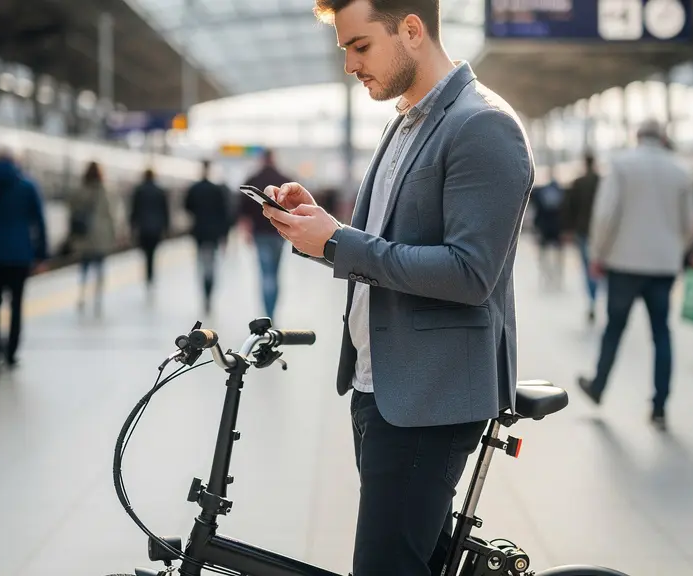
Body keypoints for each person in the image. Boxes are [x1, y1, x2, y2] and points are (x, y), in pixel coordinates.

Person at [260, 1, 534, 574]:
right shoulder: (406, 119)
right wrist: (320, 229)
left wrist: (338, 244)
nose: (350, 66)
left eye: (360, 47)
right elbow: (384, 247)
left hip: (428, 397)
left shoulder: (482, 123)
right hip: (381, 384)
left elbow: (470, 274)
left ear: (411, 29)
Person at [576, 120, 693, 430]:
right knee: (661, 333)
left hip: (624, 265)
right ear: (663, 138)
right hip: (663, 268)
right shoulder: (681, 170)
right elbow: (691, 224)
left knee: (614, 328)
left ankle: (599, 386)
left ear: (638, 136)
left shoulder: (621, 164)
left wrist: (598, 254)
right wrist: (673, 251)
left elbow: (606, 214)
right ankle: (659, 406)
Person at [0, 148, 48, 376]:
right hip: (19, 256)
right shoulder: (27, 186)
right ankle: (11, 352)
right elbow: (39, 222)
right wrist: (41, 253)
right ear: (15, 163)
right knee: (16, 304)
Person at [239, 149, 294, 320]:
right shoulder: (284, 180)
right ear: (274, 158)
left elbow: (243, 210)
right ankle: (272, 312)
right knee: (276, 273)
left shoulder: (253, 180)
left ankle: (267, 314)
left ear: (262, 160)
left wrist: (246, 231)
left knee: (265, 274)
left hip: (260, 234)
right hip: (280, 233)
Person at [69, 162, 118, 316]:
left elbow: (72, 211)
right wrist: (113, 235)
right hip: (101, 237)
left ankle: (82, 295)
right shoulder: (106, 191)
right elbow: (111, 215)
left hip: (84, 236)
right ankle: (98, 298)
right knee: (100, 269)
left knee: (84, 268)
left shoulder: (79, 190)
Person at [185, 161, 232, 314]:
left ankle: (205, 293)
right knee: (211, 265)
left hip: (199, 233)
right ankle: (209, 293)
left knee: (202, 264)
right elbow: (224, 213)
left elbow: (187, 207)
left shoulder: (194, 189)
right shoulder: (216, 190)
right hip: (213, 234)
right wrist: (225, 235)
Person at [561, 154, 601, 322]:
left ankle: (592, 299)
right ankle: (596, 294)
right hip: (599, 232)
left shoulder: (578, 183)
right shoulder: (602, 182)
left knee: (587, 267)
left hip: (583, 231)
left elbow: (569, 208)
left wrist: (568, 230)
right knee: (598, 266)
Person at [129, 168, 170, 289]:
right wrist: (166, 228)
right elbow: (165, 211)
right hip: (156, 228)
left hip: (143, 228)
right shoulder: (160, 191)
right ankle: (151, 276)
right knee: (152, 253)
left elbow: (134, 210)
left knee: (146, 253)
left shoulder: (139, 190)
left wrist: (132, 227)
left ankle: (148, 275)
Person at [530, 178, 564, 289]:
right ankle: (558, 275)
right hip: (557, 228)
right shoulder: (561, 194)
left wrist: (536, 228)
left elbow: (538, 213)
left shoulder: (540, 194)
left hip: (544, 228)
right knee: (558, 255)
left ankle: (546, 275)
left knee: (543, 255)